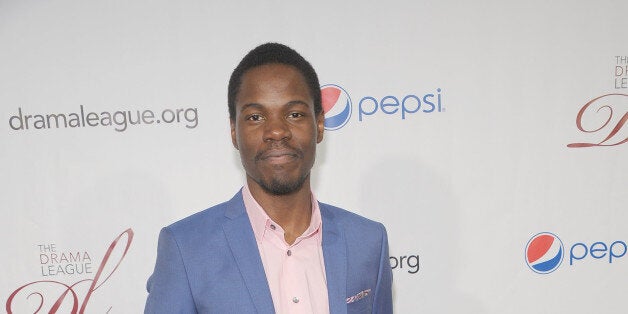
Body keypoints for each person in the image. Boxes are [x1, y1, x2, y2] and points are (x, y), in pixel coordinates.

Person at [144, 43, 393, 314]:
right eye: (256, 117)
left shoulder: (368, 241)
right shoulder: (186, 248)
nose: (276, 131)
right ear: (233, 132)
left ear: (319, 125)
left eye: (294, 114)